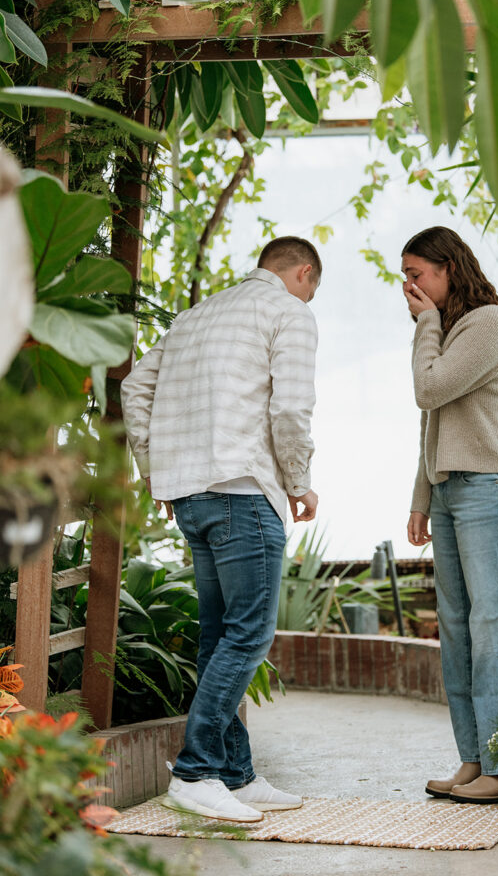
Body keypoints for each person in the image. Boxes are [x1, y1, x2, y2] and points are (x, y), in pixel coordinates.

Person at [121, 236, 321, 823]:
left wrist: (157, 469)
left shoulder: (195, 315)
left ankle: (235, 773)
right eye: (312, 287)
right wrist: (299, 479)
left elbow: (135, 387)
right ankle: (195, 771)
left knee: (219, 637)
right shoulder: (290, 311)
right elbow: (290, 409)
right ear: (303, 273)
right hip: (241, 492)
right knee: (249, 637)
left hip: (192, 497)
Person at [401, 226, 498, 805]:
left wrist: (426, 325)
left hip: (490, 486)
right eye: (405, 276)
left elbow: (428, 391)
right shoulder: (451, 331)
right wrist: (420, 497)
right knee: (456, 629)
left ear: (449, 268)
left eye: (418, 274)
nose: (409, 286)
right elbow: (434, 422)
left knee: (494, 623)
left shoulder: (488, 324)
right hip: (453, 488)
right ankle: (475, 756)